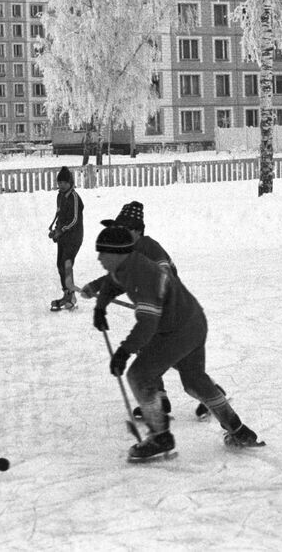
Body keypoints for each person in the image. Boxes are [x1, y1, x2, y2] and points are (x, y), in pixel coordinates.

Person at [95, 224, 261, 462]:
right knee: (194, 381)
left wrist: (123, 352)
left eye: (103, 253)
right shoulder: (127, 266)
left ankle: (160, 437)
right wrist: (100, 306)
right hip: (194, 320)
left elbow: (146, 326)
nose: (99, 258)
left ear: (118, 253)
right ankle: (238, 429)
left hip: (177, 331)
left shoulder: (143, 276)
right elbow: (112, 282)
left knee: (139, 375)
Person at [80, 201, 212, 421]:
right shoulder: (130, 252)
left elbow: (164, 274)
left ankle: (209, 394)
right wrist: (95, 287)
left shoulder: (149, 248)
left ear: (137, 231)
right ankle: (160, 397)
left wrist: (150, 299)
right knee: (152, 352)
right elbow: (118, 277)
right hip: (159, 313)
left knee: (176, 359)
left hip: (173, 314)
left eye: (124, 229)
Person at [47, 165, 84, 311]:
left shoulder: (74, 197)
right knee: (60, 264)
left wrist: (61, 230)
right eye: (59, 182)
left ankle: (71, 297)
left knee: (66, 264)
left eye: (64, 182)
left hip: (74, 237)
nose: (61, 185)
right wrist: (56, 229)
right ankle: (67, 294)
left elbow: (74, 219)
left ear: (70, 183)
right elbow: (60, 215)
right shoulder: (60, 196)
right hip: (63, 236)